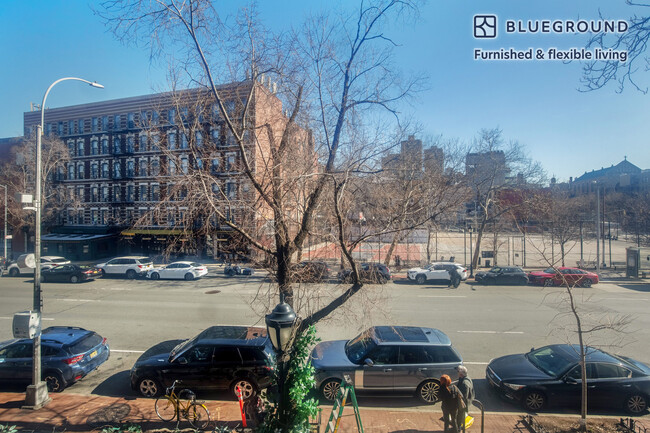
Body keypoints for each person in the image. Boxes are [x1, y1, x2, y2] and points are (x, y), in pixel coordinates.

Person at [456, 365, 475, 430]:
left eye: (458, 371)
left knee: (460, 414)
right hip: (465, 401)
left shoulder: (465, 384)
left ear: (461, 374)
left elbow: (464, 396)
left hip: (463, 402)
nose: (457, 372)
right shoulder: (465, 378)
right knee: (462, 413)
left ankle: (458, 427)